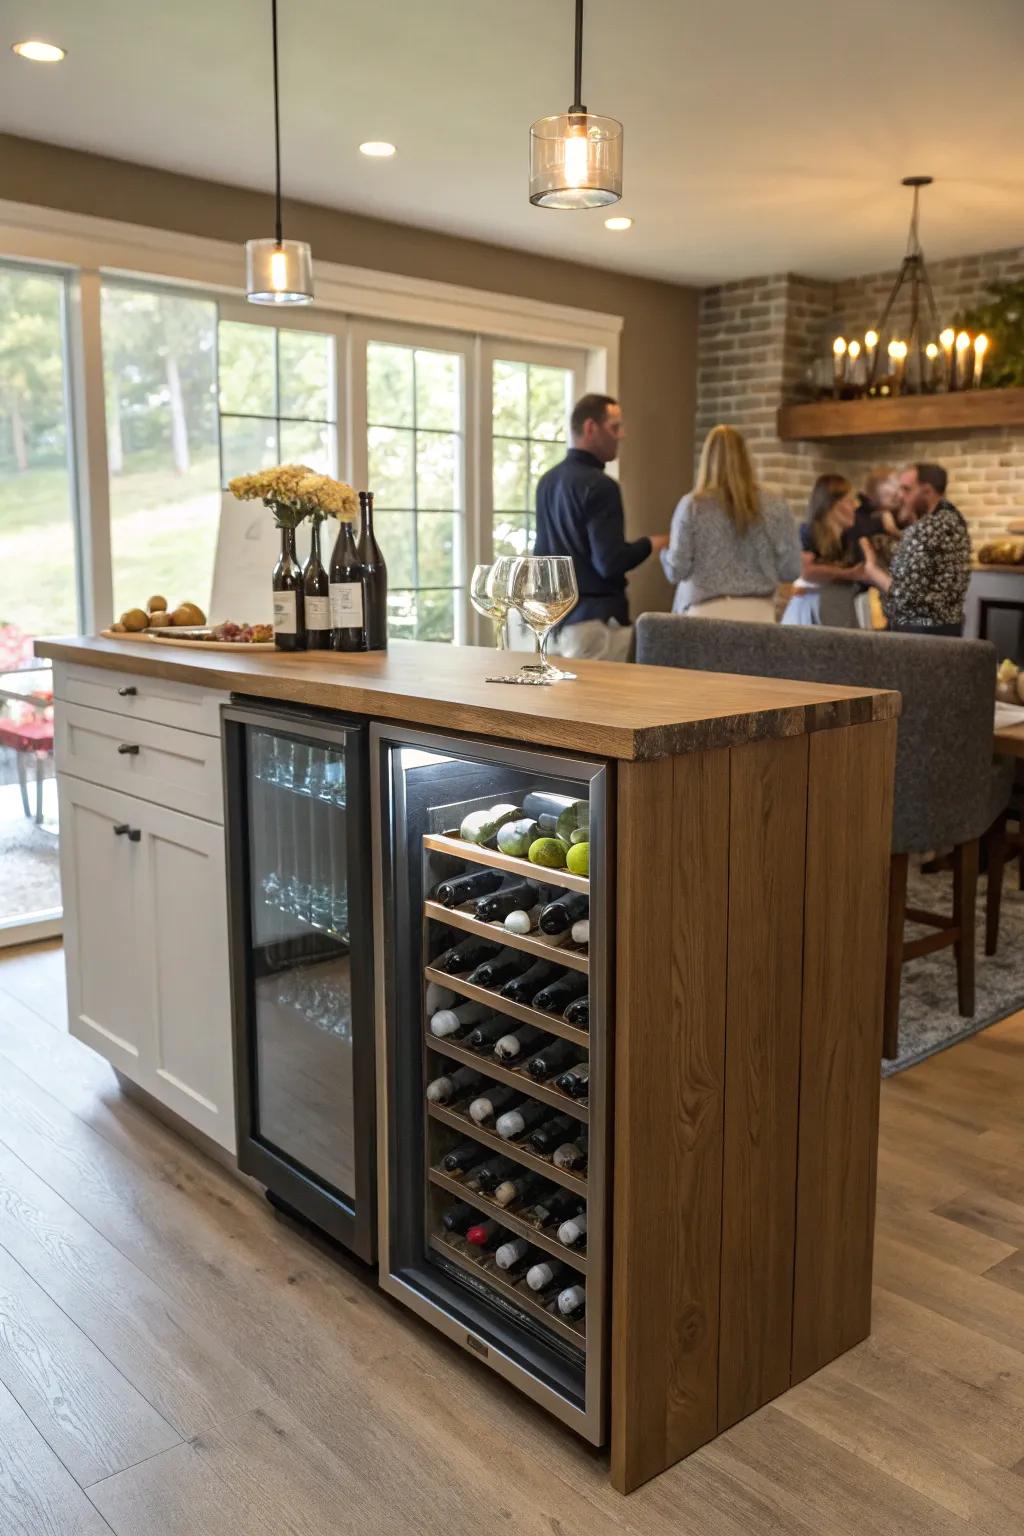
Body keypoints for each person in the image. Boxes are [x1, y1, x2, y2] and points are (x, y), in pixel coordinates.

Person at [533, 393, 667, 662]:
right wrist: (653, 543)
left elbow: (542, 554)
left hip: (553, 625)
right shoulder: (601, 486)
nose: (622, 435)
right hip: (593, 628)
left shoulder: (547, 481)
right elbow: (610, 562)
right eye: (615, 427)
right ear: (590, 428)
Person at [660, 424, 800, 620]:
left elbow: (677, 571)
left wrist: (664, 553)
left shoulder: (692, 506)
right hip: (759, 613)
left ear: (706, 458)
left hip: (705, 613)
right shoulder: (775, 503)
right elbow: (791, 570)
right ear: (746, 457)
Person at [859, 462, 971, 635]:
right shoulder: (952, 519)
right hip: (947, 628)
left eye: (907, 489)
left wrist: (872, 569)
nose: (900, 496)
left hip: (921, 632)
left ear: (926, 491)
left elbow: (906, 596)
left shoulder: (926, 528)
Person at [781, 474, 864, 627]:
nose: (855, 506)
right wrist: (847, 574)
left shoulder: (849, 538)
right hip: (813, 609)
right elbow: (806, 572)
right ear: (831, 504)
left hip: (841, 608)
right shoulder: (808, 532)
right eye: (849, 501)